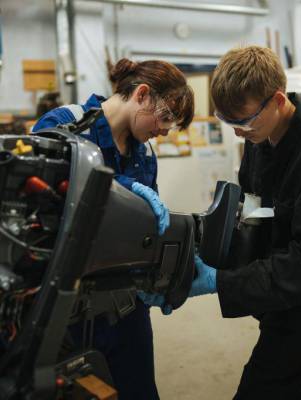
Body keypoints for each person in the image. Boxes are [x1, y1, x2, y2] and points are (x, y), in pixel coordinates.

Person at [188, 46, 301, 399]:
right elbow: (255, 209)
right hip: (272, 286)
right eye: (228, 121)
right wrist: (212, 240)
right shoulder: (260, 139)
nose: (237, 132)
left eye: (244, 121)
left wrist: (223, 282)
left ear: (278, 99)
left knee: (267, 386)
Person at [32, 58, 194, 400]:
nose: (164, 131)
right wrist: (118, 187)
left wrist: (162, 276)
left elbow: (145, 233)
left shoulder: (144, 154)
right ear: (142, 94)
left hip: (126, 308)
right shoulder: (66, 124)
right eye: (165, 118)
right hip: (66, 310)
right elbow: (47, 201)